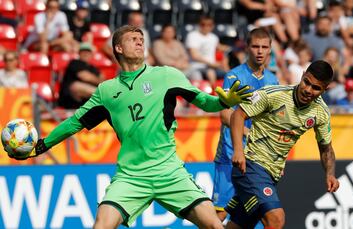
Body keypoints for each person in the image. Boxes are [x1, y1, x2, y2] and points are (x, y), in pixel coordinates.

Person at [11, 25, 253, 228]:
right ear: (118, 48)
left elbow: (204, 102)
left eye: (141, 39)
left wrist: (223, 101)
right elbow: (74, 123)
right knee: (101, 225)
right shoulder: (106, 91)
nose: (140, 43)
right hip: (130, 177)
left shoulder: (167, 75)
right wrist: (41, 145)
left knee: (213, 225)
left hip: (169, 172)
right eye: (133, 39)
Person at [227, 60, 340, 229]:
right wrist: (238, 150)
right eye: (306, 82)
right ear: (302, 76)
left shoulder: (320, 113)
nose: (308, 90)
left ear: (325, 89)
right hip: (250, 166)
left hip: (272, 174)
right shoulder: (274, 94)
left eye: (316, 88)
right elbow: (238, 115)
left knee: (236, 226)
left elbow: (326, 148)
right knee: (276, 219)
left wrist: (330, 173)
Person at [212, 28, 278, 225]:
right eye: (255, 46)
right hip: (230, 155)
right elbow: (225, 115)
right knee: (219, 215)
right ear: (247, 48)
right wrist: (251, 133)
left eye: (264, 47)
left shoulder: (273, 80)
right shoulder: (234, 76)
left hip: (257, 160)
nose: (259, 51)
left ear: (270, 50)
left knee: (255, 216)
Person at [185, 15, 229, 87]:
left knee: (231, 75)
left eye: (209, 25)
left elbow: (222, 50)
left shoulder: (213, 37)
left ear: (213, 26)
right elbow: (194, 56)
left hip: (212, 66)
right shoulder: (192, 35)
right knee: (208, 72)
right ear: (199, 24)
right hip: (196, 66)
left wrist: (225, 63)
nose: (206, 27)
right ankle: (214, 93)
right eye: (203, 24)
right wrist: (211, 63)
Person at [58, 42, 104, 109]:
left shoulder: (94, 68)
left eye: (88, 52)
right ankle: (104, 95)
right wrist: (98, 80)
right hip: (70, 100)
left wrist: (97, 80)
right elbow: (86, 77)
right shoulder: (74, 63)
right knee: (76, 86)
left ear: (91, 54)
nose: (85, 54)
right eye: (83, 51)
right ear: (79, 53)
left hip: (87, 101)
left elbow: (103, 79)